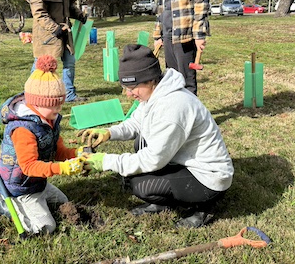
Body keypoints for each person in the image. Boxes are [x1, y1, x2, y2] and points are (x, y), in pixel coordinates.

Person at [80, 44, 234, 228]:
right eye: (125, 88)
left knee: (140, 185)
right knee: (140, 146)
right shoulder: (154, 94)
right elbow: (137, 123)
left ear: (150, 79)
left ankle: (204, 206)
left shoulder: (173, 106)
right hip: (184, 161)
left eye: (132, 87)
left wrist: (105, 161)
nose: (129, 94)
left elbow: (154, 159)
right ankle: (166, 198)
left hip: (208, 177)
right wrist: (109, 133)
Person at [0, 55, 86, 236]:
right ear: (37, 102)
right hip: (19, 187)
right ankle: (4, 203)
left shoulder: (49, 120)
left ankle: (34, 201)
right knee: (44, 227)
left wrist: (77, 153)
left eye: (60, 104)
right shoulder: (23, 129)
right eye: (54, 106)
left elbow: (58, 152)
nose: (58, 110)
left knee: (63, 201)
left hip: (37, 183)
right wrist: (63, 168)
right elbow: (28, 167)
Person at [23, 0, 88, 102]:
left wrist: (80, 16)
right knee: (42, 65)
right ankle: (31, 93)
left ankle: (69, 94)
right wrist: (55, 29)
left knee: (70, 62)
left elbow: (69, 7)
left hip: (65, 33)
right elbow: (39, 13)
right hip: (48, 34)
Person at [153, 0, 211, 96]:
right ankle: (177, 112)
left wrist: (199, 34)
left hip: (184, 35)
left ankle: (192, 116)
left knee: (187, 79)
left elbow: (201, 3)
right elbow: (161, 8)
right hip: (168, 34)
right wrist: (158, 34)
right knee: (172, 78)